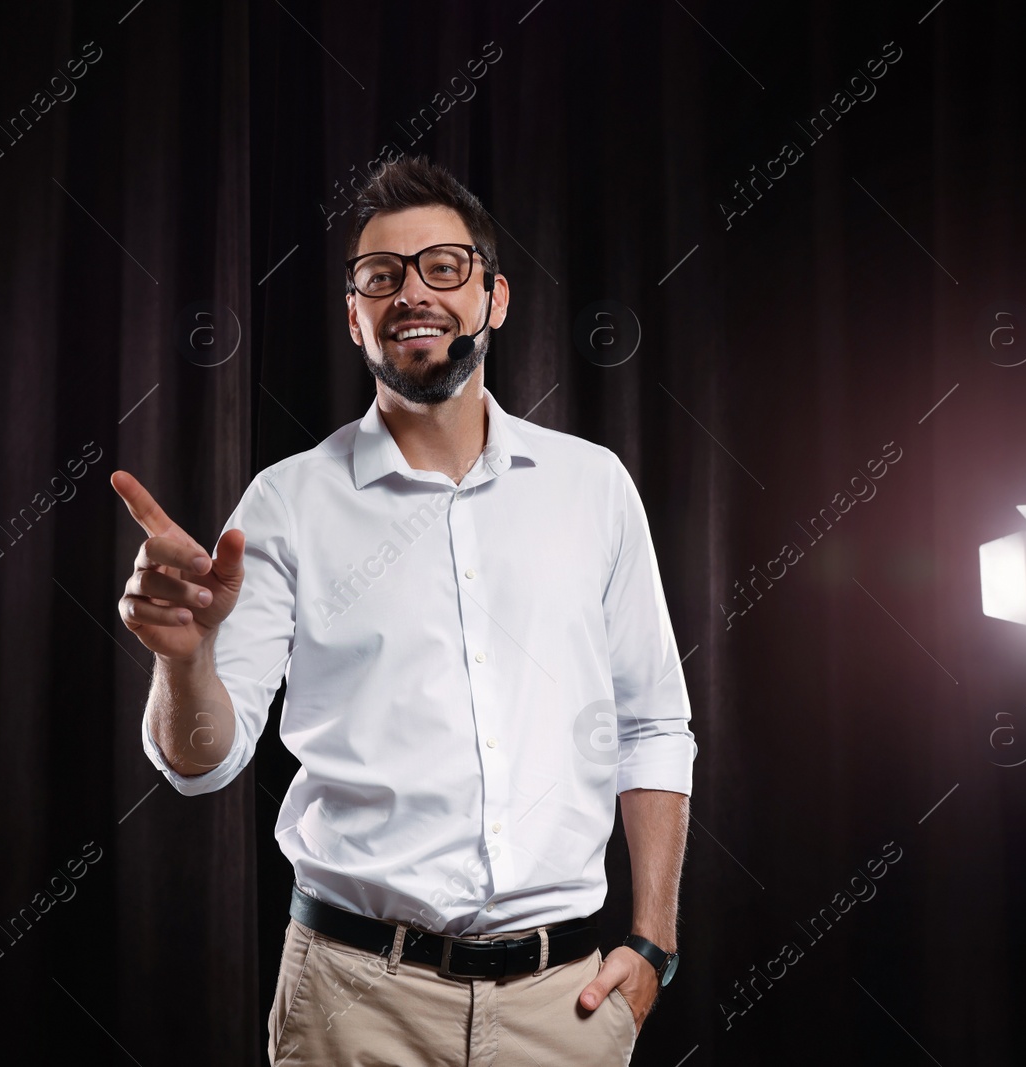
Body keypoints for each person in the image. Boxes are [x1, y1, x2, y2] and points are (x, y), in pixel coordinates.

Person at [111, 155, 695, 1066]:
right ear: (355, 314)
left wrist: (653, 941)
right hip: (353, 1004)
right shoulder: (285, 502)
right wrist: (183, 658)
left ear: (494, 298)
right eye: (381, 277)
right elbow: (201, 764)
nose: (412, 293)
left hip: (565, 1007)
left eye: (444, 268)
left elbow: (654, 722)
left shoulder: (594, 486)